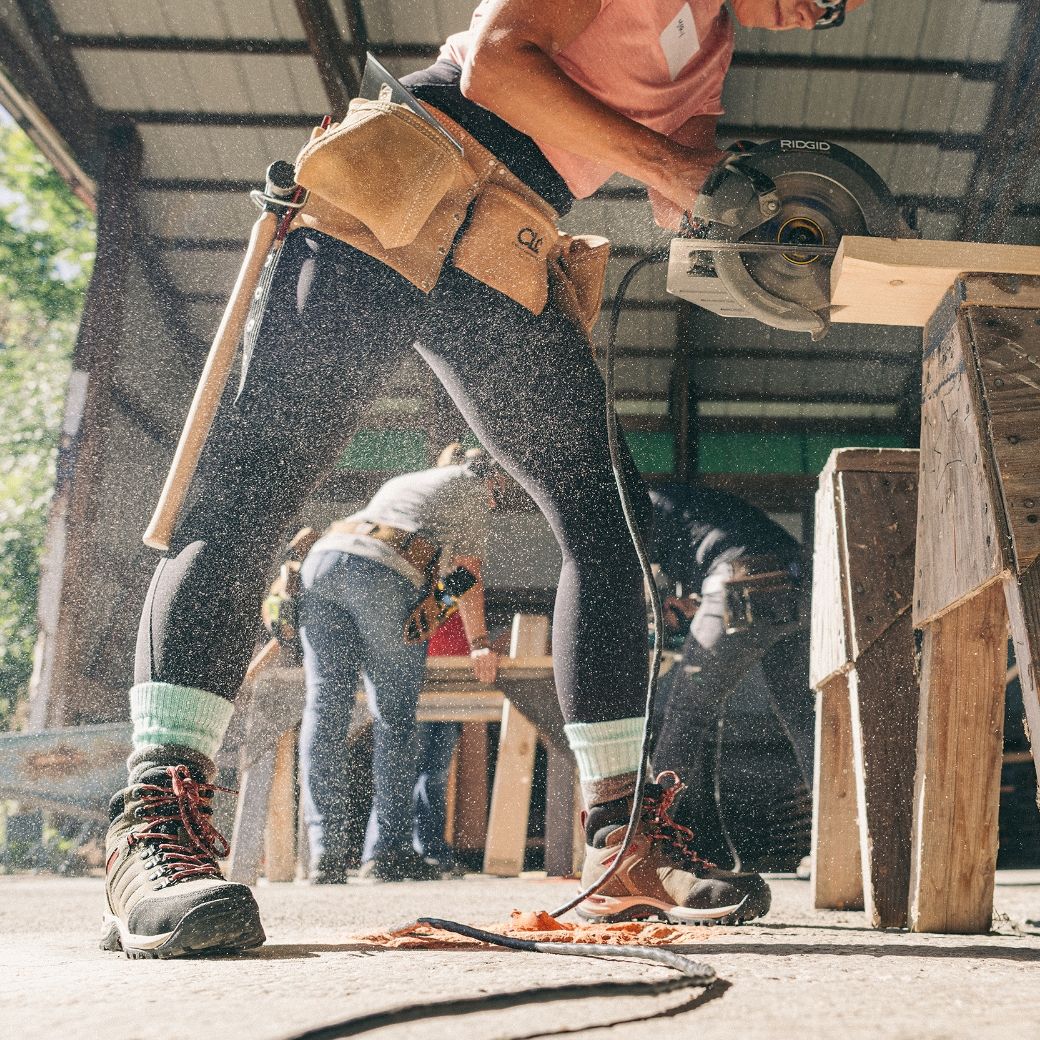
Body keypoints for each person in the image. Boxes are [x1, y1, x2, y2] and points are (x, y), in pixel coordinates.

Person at [102, 0, 869, 958]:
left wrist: (755, 212)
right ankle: (155, 825)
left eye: (837, 13)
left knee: (609, 522)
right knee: (260, 477)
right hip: (402, 176)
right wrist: (674, 166)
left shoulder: (710, 51)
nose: (822, 11)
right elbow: (500, 65)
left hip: (507, 237)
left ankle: (620, 848)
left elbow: (684, 187)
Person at [297, 446, 501, 884]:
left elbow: (445, 576)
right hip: (382, 573)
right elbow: (467, 575)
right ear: (492, 479)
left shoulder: (408, 483)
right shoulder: (469, 487)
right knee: (393, 719)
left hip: (322, 563)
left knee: (326, 710)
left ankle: (325, 856)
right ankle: (387, 851)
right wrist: (480, 642)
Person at [646, 481, 814, 867]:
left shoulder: (644, 503)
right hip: (797, 576)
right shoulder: (689, 504)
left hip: (741, 578)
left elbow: (641, 572)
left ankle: (648, 839)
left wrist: (664, 606)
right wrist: (694, 601)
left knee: (687, 713)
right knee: (806, 718)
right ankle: (842, 841)